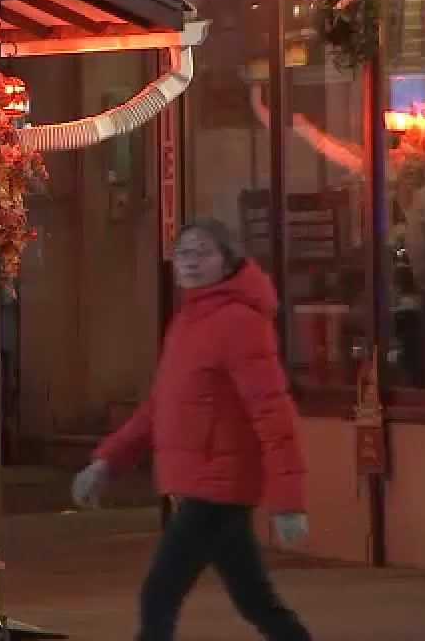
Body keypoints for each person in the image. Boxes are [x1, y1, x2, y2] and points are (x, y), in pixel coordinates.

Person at [71, 218, 311, 641]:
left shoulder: (240, 322)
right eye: (183, 252)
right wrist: (108, 461)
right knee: (254, 599)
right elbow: (160, 407)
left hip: (220, 486)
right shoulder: (188, 321)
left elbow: (272, 412)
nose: (190, 262)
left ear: (228, 260)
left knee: (159, 595)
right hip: (203, 483)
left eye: (203, 252)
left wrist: (288, 501)